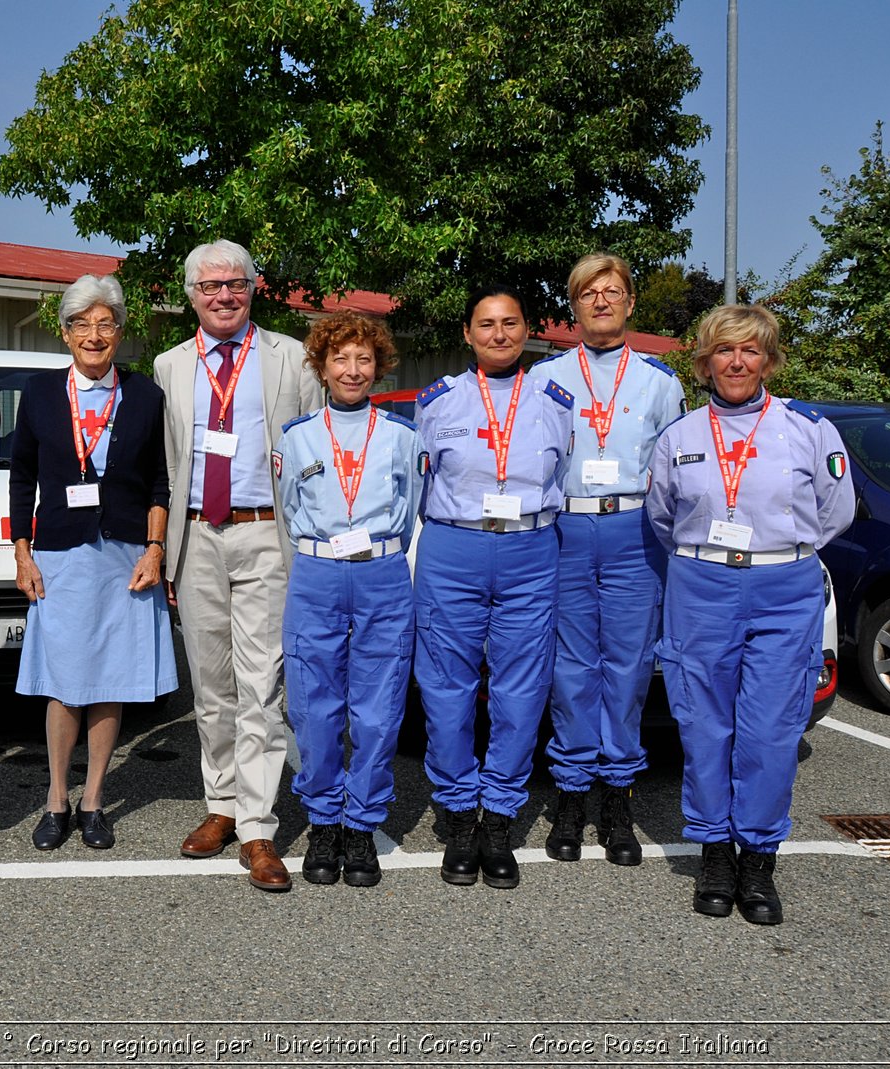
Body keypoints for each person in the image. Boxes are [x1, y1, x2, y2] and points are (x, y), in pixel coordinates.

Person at [647, 304, 854, 925]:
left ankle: (758, 858)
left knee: (770, 729)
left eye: (750, 351)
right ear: (705, 361)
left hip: (781, 585)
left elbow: (835, 509)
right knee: (704, 723)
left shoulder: (809, 428)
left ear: (768, 359)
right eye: (723, 351)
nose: (736, 362)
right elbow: (660, 518)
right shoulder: (680, 436)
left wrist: (779, 552)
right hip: (701, 583)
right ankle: (714, 851)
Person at [155, 239, 324, 893]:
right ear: (192, 295)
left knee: (263, 687)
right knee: (212, 686)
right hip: (196, 537)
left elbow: (314, 448)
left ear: (254, 287)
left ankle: (258, 825)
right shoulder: (170, 366)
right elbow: (164, 463)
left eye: (235, 284)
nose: (223, 295)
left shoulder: (289, 359)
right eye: (210, 286)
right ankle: (221, 802)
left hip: (264, 534)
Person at [413, 285, 573, 890]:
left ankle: (500, 814)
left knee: (521, 686)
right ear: (468, 334)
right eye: (486, 324)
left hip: (531, 549)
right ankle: (458, 811)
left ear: (527, 329)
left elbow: (562, 470)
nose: (499, 334)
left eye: (510, 323)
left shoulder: (556, 400)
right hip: (455, 547)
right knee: (447, 685)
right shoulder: (439, 401)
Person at [10, 275, 176, 851]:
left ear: (121, 332)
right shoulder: (38, 395)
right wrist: (22, 552)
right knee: (64, 681)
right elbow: (23, 477)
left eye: (106, 323)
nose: (95, 334)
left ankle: (94, 800)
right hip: (60, 557)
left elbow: (160, 480)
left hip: (125, 557)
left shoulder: (147, 396)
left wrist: (156, 550)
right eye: (83, 323)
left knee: (112, 680)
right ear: (65, 332)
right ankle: (56, 797)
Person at [534, 253, 686, 867]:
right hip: (567, 527)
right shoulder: (548, 377)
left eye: (613, 291)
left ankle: (617, 799)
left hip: (633, 530)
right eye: (589, 292)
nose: (601, 301)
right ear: (573, 305)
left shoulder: (659, 381)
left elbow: (675, 469)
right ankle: (572, 795)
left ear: (629, 303)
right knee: (572, 667)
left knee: (625, 669)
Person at [273, 311, 422, 888]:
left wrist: (380, 553)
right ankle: (324, 820)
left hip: (382, 573)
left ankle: (362, 823)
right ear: (322, 365)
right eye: (341, 358)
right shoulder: (298, 436)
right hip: (318, 572)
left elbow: (410, 510)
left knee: (379, 707)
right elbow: (290, 509)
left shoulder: (402, 437)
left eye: (364, 359)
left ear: (378, 365)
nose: (353, 370)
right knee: (313, 704)